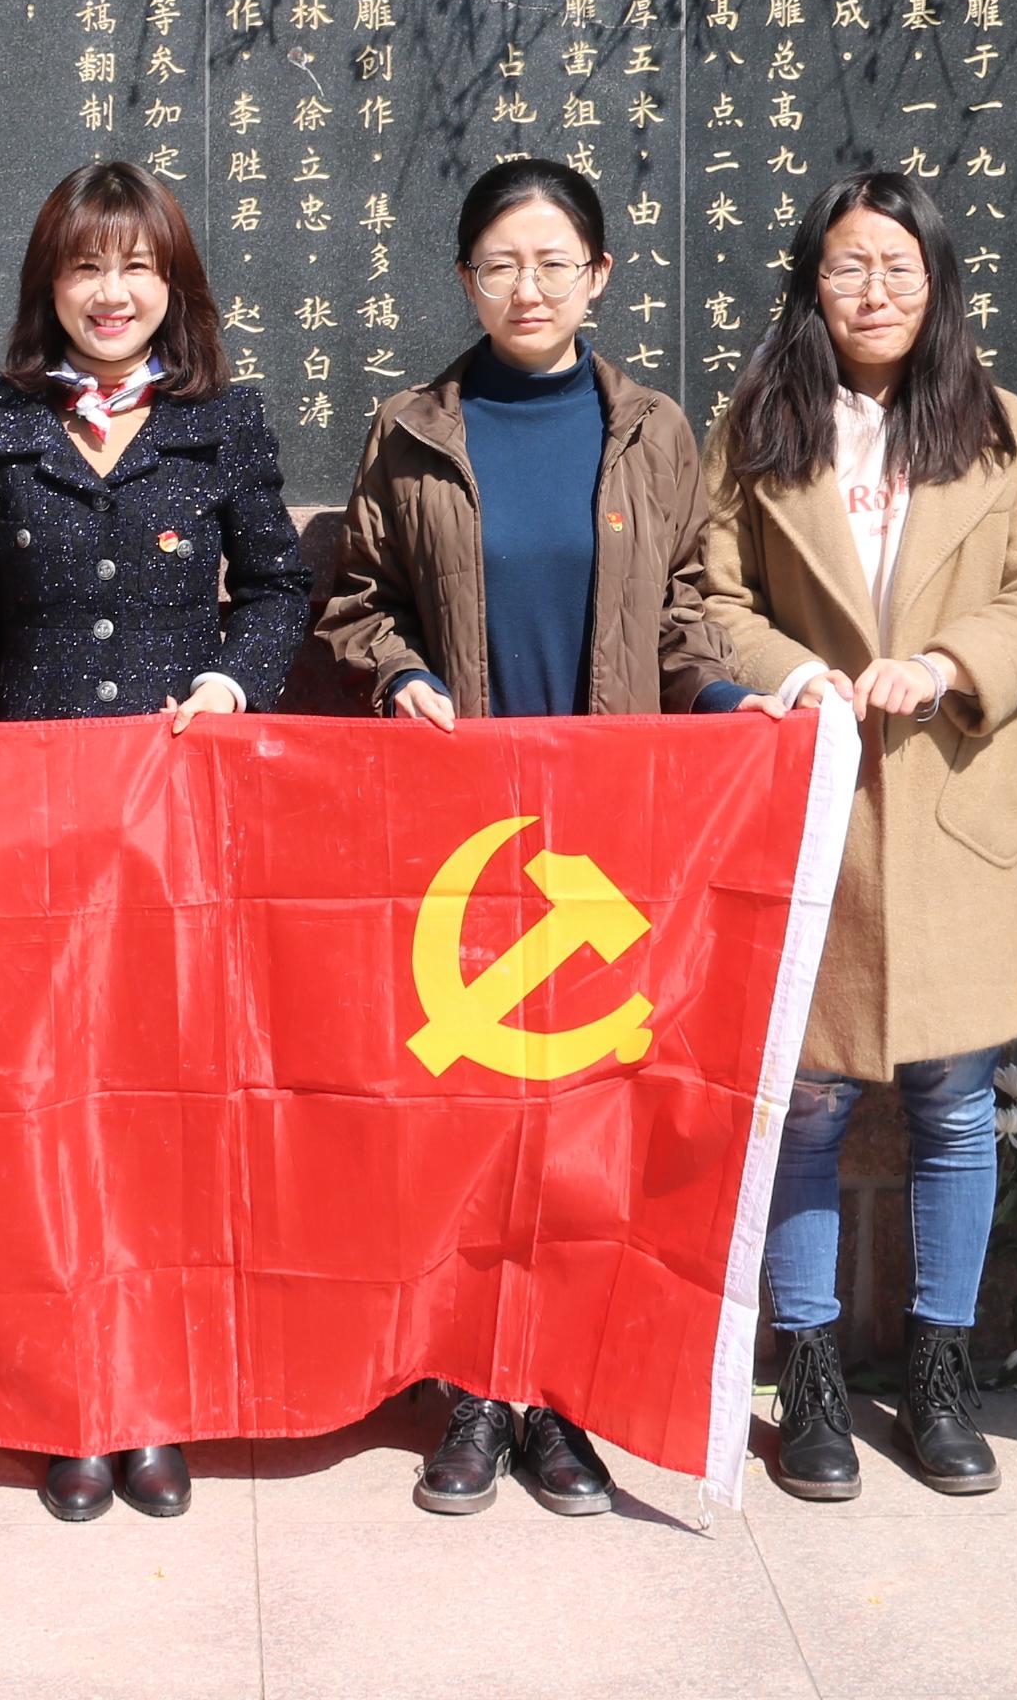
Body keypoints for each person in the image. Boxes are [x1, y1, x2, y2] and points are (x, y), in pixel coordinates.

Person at [315, 153, 734, 1519]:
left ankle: (560, 1395)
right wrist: (398, 672)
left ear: (600, 276)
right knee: (472, 1120)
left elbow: (685, 610)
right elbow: (357, 602)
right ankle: (475, 1391)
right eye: (501, 264)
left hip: (610, 835)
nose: (529, 287)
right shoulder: (413, 431)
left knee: (587, 1117)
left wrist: (737, 703)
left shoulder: (653, 431)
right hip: (466, 834)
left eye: (556, 262)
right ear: (465, 280)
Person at [0, 157, 319, 1524]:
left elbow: (279, 588)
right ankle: (65, 1399)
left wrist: (231, 681)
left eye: (138, 267)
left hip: (174, 828)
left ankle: (152, 1396)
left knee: (161, 1115)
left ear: (175, 286)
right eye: (87, 266)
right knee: (45, 1120)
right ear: (50, 283)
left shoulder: (222, 424)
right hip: (32, 830)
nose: (112, 293)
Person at [694, 169, 1017, 1503]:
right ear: (813, 281)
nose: (874, 290)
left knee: (955, 1105)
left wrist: (954, 662)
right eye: (849, 265)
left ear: (937, 283)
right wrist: (797, 673)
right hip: (812, 808)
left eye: (898, 267)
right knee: (805, 1103)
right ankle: (805, 1378)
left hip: (952, 797)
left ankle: (938, 1374)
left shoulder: (998, 428)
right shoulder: (760, 424)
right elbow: (710, 597)